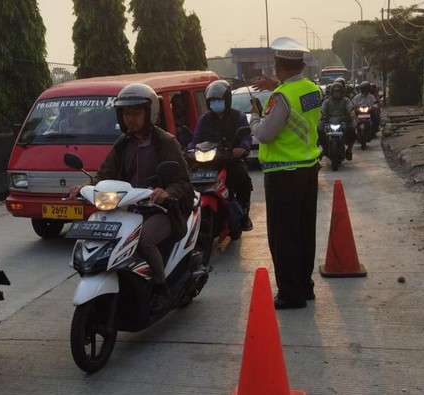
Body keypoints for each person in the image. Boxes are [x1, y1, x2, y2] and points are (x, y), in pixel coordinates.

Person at [68, 83, 193, 311]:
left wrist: (166, 193)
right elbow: (105, 174)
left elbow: (183, 181)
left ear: (150, 112)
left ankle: (160, 286)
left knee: (143, 240)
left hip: (161, 210)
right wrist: (85, 188)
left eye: (136, 113)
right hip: (127, 207)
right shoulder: (123, 144)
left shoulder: (166, 143)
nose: (130, 119)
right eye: (126, 113)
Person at [249, 37, 322, 309]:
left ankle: (290, 294)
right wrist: (277, 85)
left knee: (283, 236)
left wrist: (255, 117)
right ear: (301, 65)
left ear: (278, 65)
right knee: (304, 232)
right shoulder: (312, 89)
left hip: (283, 174)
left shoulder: (281, 98)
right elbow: (296, 103)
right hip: (307, 170)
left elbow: (266, 134)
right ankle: (304, 287)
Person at [188, 80, 254, 231]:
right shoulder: (204, 119)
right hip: (208, 161)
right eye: (212, 101)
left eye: (218, 100)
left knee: (241, 174)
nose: (215, 103)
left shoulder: (239, 117)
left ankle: (244, 212)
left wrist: (242, 148)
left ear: (227, 100)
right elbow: (195, 139)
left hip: (229, 159)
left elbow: (246, 137)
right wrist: (189, 150)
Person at [319, 82, 356, 160]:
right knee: (319, 129)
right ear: (332, 92)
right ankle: (324, 148)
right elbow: (322, 110)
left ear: (342, 92)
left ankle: (349, 150)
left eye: (338, 91)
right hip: (329, 121)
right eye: (335, 91)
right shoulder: (327, 101)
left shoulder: (346, 100)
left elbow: (350, 108)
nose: (337, 93)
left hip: (343, 121)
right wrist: (320, 115)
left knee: (352, 130)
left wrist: (352, 113)